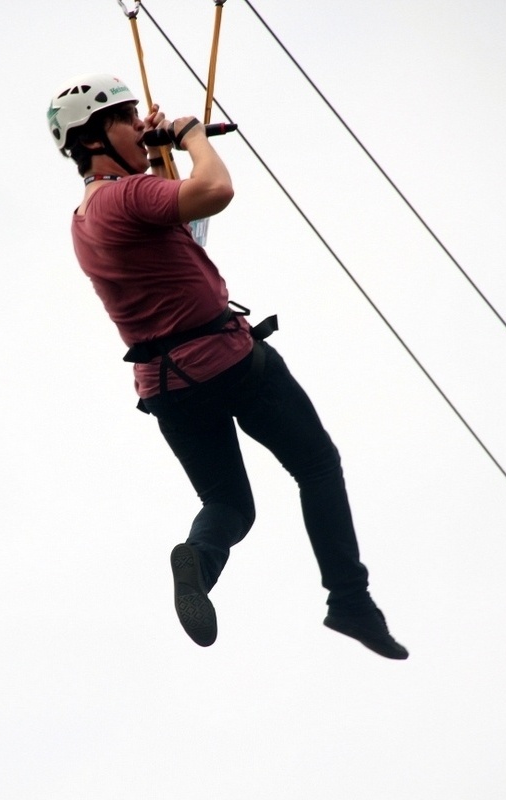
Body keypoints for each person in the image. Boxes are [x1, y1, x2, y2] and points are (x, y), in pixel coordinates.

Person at [48, 73, 408, 659]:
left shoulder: (87, 218)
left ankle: (201, 560)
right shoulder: (126, 196)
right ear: (93, 140)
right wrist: (190, 136)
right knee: (317, 464)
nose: (139, 124)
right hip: (228, 361)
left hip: (166, 388)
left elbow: (179, 228)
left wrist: (154, 149)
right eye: (125, 117)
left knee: (229, 506)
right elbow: (213, 192)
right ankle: (350, 601)